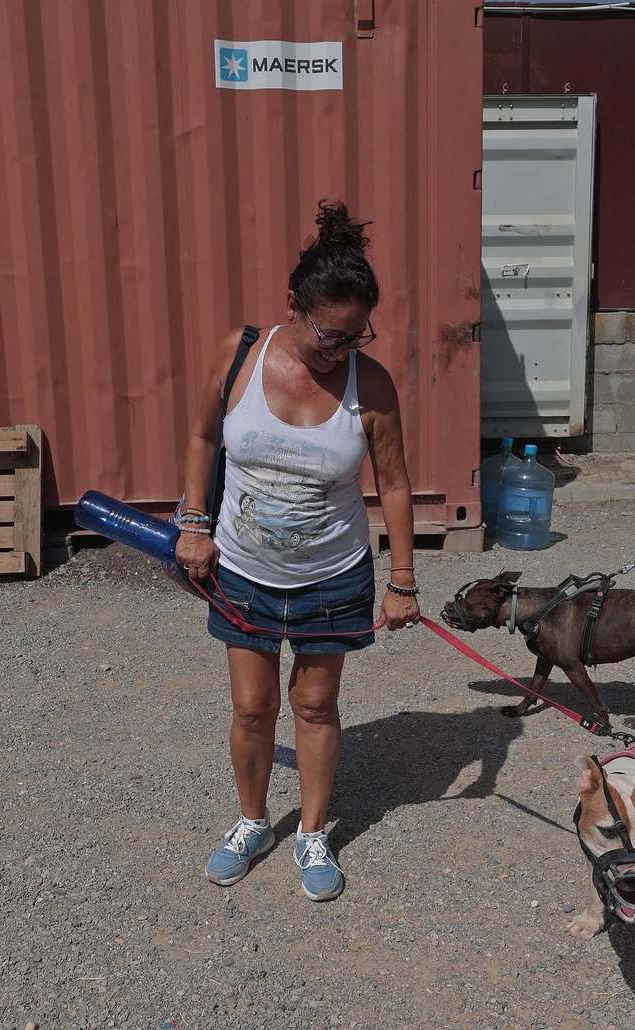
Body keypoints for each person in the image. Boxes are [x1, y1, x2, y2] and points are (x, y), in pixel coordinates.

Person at [176, 200, 420, 901]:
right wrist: (194, 523)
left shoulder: (369, 386)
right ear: (292, 304)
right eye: (328, 334)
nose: (340, 350)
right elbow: (200, 439)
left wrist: (402, 580)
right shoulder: (239, 356)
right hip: (244, 569)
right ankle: (252, 821)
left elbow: (396, 485)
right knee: (252, 708)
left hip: (332, 575)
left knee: (314, 706)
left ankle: (313, 832)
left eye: (356, 336)